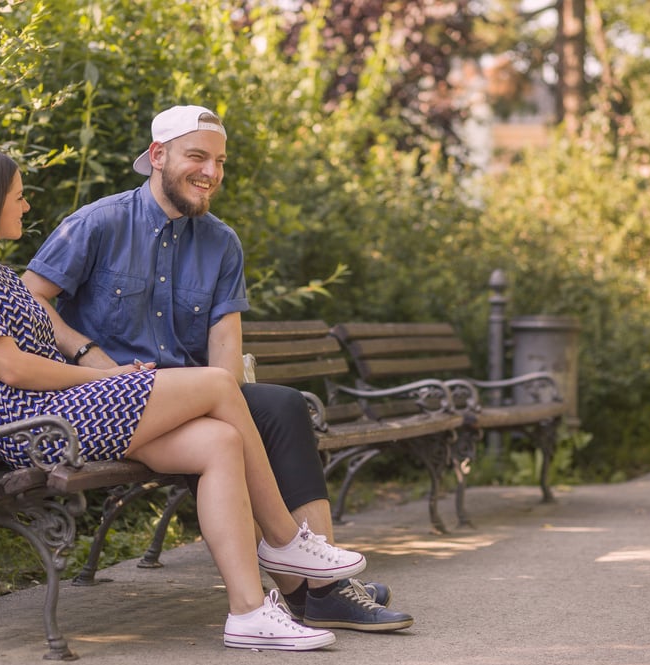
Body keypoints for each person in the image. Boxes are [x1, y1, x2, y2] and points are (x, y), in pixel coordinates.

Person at [0, 147, 372, 651]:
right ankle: (285, 542)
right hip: (36, 426)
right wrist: (100, 381)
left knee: (221, 441)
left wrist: (107, 377)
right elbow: (11, 368)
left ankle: (247, 612)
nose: (25, 208)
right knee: (219, 384)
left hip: (70, 411)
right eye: (18, 198)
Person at [23, 105, 413, 632]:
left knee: (282, 406)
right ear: (158, 157)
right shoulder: (100, 222)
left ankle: (316, 576)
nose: (211, 172)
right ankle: (317, 587)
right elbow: (31, 296)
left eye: (220, 161)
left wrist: (229, 402)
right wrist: (85, 352)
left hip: (195, 397)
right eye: (197, 156)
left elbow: (225, 346)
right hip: (117, 405)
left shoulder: (221, 242)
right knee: (238, 419)